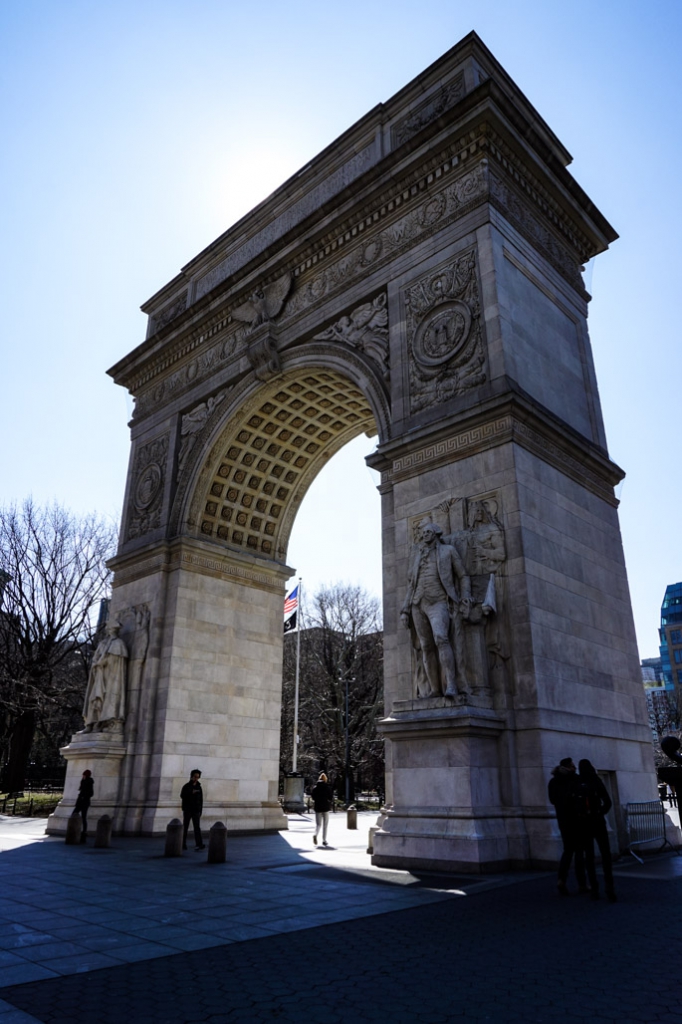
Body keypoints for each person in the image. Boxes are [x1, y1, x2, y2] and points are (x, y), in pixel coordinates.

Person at [401, 521, 471, 698]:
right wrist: (405, 609)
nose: (424, 535)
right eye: (423, 532)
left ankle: (452, 685)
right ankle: (434, 689)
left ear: (436, 533)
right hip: (418, 603)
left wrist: (465, 596)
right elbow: (411, 584)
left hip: (439, 601)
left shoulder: (448, 551)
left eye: (428, 531)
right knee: (426, 646)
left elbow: (463, 576)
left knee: (441, 638)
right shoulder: (417, 555)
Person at [578, 759, 616, 902]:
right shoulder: (596, 781)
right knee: (605, 855)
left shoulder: (578, 783)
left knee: (589, 857)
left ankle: (594, 889)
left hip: (584, 823)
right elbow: (608, 802)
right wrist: (600, 812)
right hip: (597, 821)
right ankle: (609, 886)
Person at [548, 757, 587, 896]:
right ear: (568, 767)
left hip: (563, 819)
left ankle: (561, 880)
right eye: (572, 766)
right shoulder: (574, 780)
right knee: (579, 852)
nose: (574, 768)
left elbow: (552, 800)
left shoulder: (553, 781)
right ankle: (582, 884)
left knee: (567, 851)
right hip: (577, 819)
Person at [83, 621, 128, 731]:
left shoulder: (118, 643)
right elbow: (96, 657)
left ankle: (104, 723)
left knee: (107, 697)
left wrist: (102, 662)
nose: (108, 630)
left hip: (111, 676)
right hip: (99, 674)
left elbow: (114, 660)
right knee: (94, 697)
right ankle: (91, 722)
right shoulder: (103, 643)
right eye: (108, 628)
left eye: (110, 628)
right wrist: (96, 663)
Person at [181, 769, 205, 851]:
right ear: (191, 776)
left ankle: (199, 844)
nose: (196, 779)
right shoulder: (186, 786)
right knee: (185, 827)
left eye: (198, 777)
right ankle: (182, 843)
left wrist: (200, 810)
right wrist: (191, 792)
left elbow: (201, 800)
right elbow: (182, 795)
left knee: (197, 827)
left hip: (196, 810)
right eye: (195, 777)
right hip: (188, 810)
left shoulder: (199, 787)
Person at [311, 772, 333, 847]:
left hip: (317, 807)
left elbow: (313, 797)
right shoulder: (327, 788)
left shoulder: (315, 788)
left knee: (318, 824)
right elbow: (330, 797)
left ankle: (315, 834)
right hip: (326, 807)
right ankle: (324, 840)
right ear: (325, 780)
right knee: (325, 825)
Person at [74, 769, 94, 843]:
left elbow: (91, 793)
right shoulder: (83, 781)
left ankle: (84, 831)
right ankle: (81, 830)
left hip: (84, 802)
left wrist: (84, 796)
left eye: (84, 775)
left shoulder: (89, 782)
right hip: (80, 802)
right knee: (76, 815)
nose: (83, 776)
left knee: (83, 817)